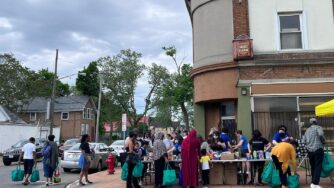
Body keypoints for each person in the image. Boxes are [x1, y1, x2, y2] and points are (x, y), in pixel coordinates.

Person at [303, 118, 325, 188]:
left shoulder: (307, 130)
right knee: (318, 166)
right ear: (316, 122)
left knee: (313, 166)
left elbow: (303, 140)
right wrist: (323, 141)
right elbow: (321, 134)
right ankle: (315, 183)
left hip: (310, 150)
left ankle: (313, 182)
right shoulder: (318, 127)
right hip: (318, 148)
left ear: (310, 123)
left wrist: (308, 145)